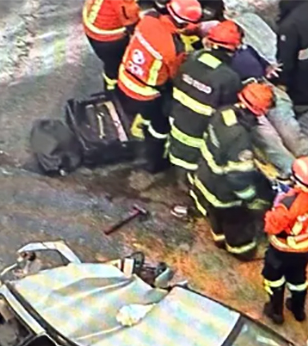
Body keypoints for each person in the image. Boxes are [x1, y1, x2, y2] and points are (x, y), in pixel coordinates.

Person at [190, 82, 276, 261]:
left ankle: (220, 240)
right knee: (237, 223)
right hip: (224, 193)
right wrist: (251, 199)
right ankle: (243, 252)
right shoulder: (239, 137)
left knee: (216, 216)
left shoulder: (225, 113)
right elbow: (238, 178)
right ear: (258, 111)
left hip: (206, 178)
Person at [117, 0, 203, 173]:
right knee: (160, 125)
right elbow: (175, 75)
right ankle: (154, 162)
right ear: (184, 23)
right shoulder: (173, 49)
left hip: (125, 76)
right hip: (145, 93)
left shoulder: (149, 18)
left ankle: (142, 120)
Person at [168, 20, 244, 184]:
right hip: (200, 135)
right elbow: (228, 112)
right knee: (196, 169)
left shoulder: (192, 59)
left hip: (178, 123)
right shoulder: (229, 78)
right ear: (233, 49)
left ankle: (181, 181)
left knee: (180, 160)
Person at [261, 156, 308, 325]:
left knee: (274, 278)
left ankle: (276, 311)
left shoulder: (289, 203)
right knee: (298, 278)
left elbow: (272, 226)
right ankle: (298, 310)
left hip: (283, 249)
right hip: (307, 246)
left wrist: (275, 206)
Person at [83, 0, 141, 91]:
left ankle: (110, 84)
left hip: (94, 24)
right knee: (116, 65)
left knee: (111, 65)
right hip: (108, 37)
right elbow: (129, 18)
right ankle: (113, 89)